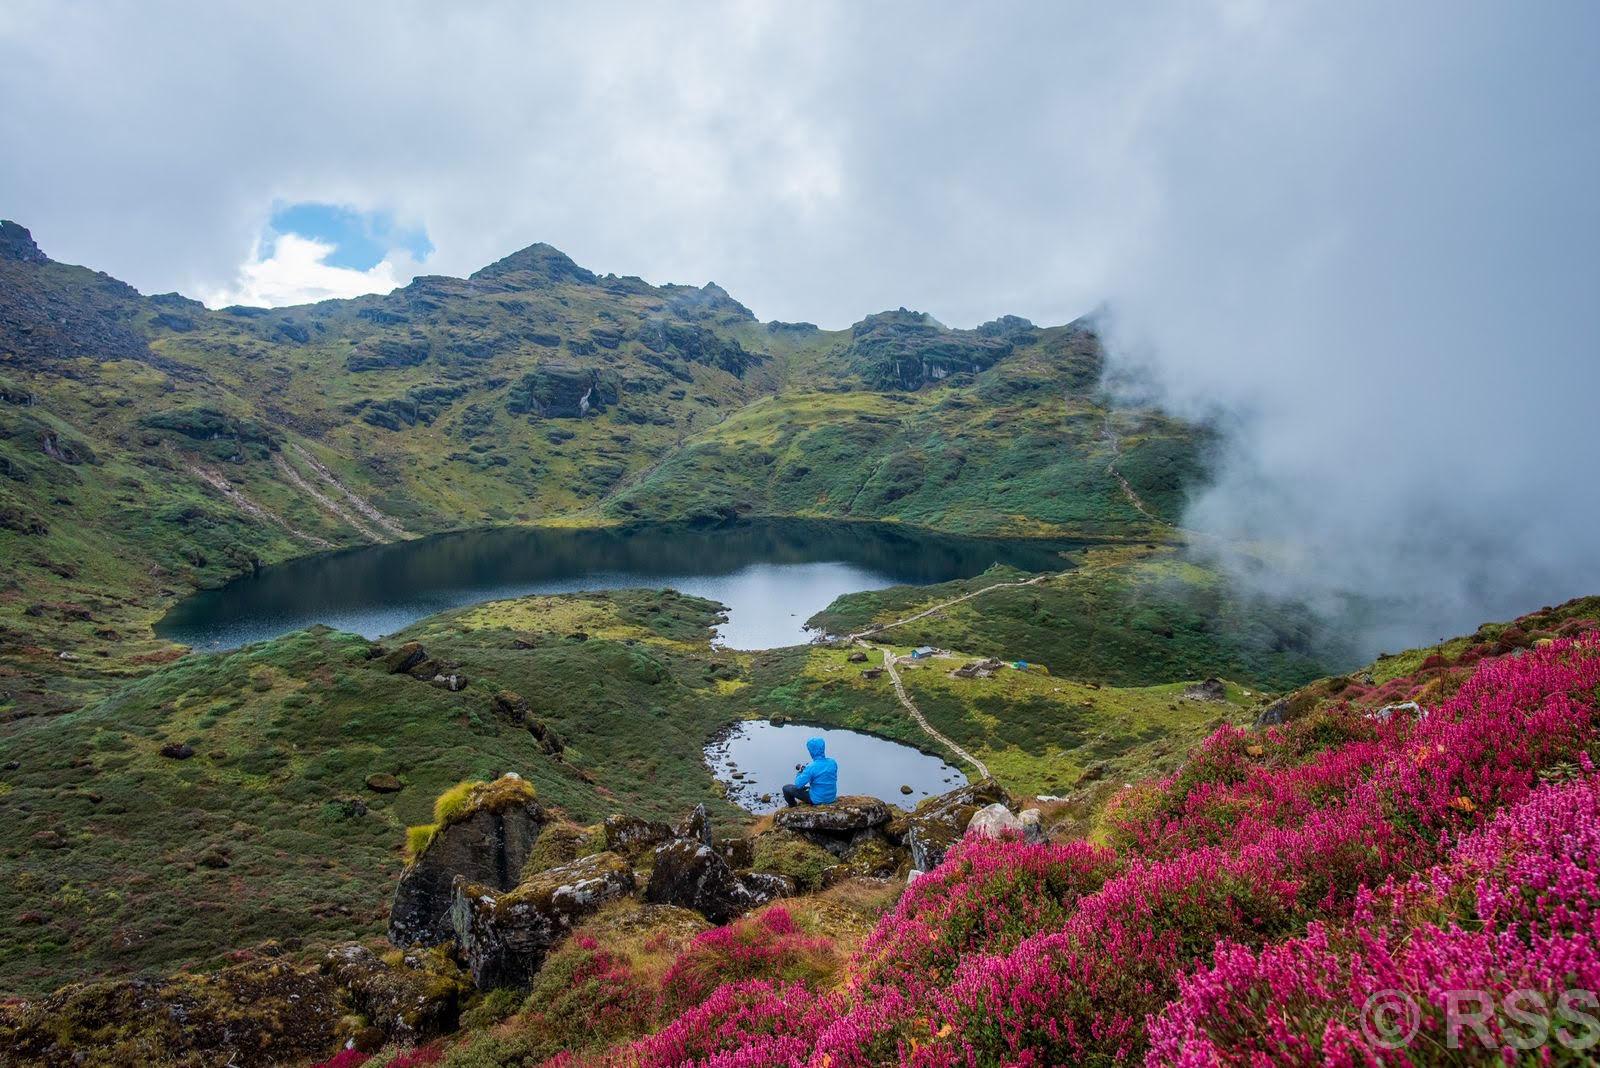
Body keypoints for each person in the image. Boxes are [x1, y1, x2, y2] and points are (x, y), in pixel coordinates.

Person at [783, 737, 838, 806]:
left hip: (817, 800)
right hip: (831, 797)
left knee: (786, 788)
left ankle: (792, 806)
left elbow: (798, 785)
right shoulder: (832, 762)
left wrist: (800, 772)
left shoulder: (811, 767)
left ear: (811, 751)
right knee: (816, 786)